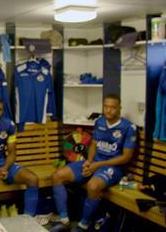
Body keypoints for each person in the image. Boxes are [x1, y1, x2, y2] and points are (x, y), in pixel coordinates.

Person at [49, 94, 137, 232]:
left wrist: (97, 165)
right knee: (58, 175)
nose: (108, 110)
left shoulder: (129, 127)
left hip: (112, 168)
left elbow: (126, 157)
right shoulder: (100, 122)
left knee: (93, 186)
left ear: (119, 108)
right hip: (95, 163)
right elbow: (94, 145)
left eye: (112, 107)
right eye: (106, 106)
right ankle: (64, 221)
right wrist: (89, 161)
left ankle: (82, 225)